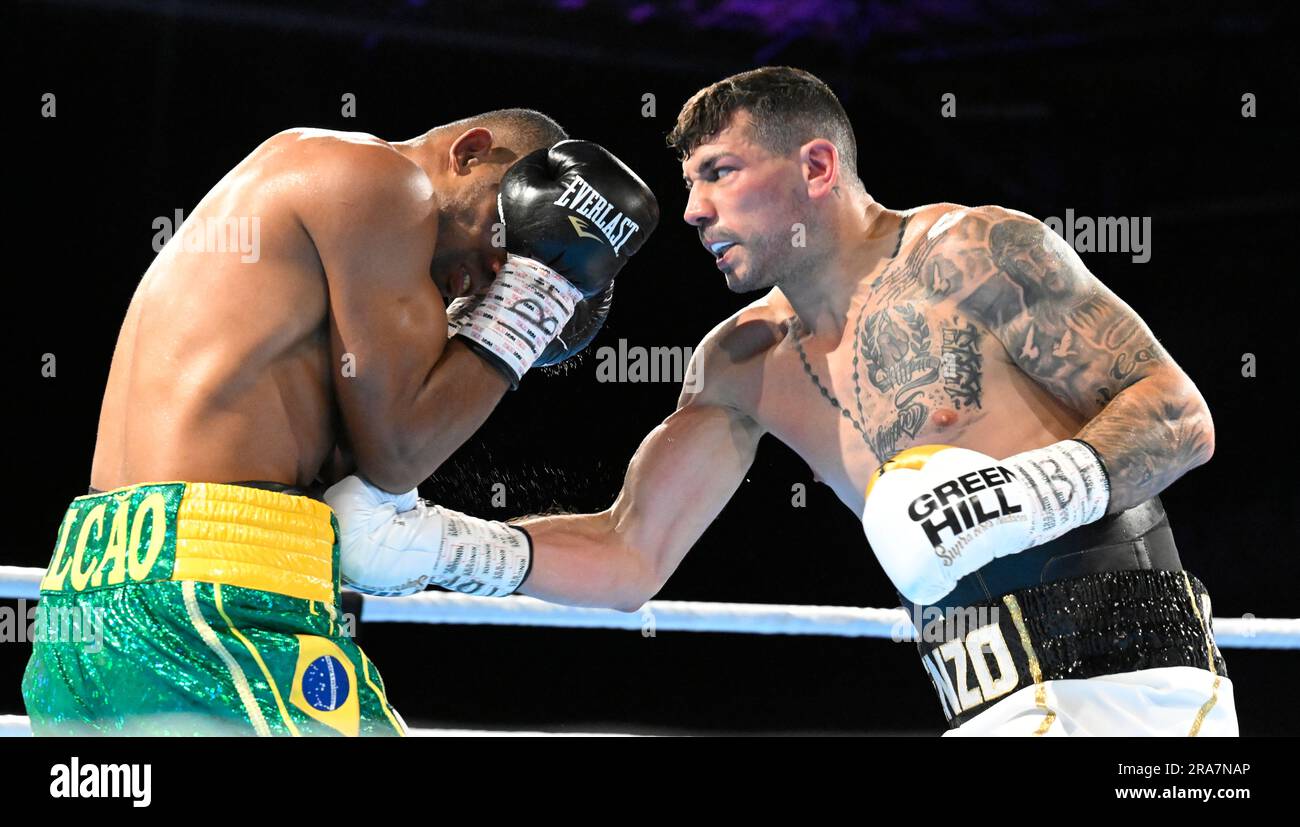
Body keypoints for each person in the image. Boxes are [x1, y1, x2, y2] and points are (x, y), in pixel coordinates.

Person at [332, 69, 1235, 736]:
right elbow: (630, 554)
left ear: (815, 165)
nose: (692, 210)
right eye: (689, 182)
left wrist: (1013, 495)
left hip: (1142, 690)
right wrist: (438, 545)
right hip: (978, 707)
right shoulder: (739, 362)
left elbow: (1176, 414)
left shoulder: (974, 254)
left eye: (719, 172)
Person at [21, 109, 660, 735]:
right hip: (216, 593)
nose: (501, 270)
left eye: (524, 255)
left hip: (86, 594)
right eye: (507, 230)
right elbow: (400, 454)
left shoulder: (307, 190)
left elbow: (357, 488)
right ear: (468, 153)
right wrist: (540, 289)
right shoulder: (384, 181)